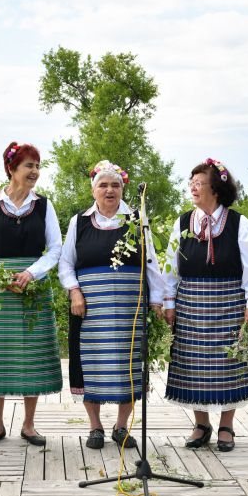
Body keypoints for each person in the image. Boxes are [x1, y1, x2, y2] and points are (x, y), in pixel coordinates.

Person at [163, 159, 248, 452]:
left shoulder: (238, 223)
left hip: (229, 301)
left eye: (200, 183)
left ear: (217, 189)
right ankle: (201, 424)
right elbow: (171, 267)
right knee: (192, 363)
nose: (193, 188)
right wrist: (168, 302)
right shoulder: (183, 222)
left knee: (230, 362)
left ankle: (226, 425)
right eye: (192, 183)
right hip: (191, 303)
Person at [0, 143, 63, 447]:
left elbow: (56, 248)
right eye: (28, 165)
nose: (35, 171)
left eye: (37, 165)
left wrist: (31, 273)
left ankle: (29, 425)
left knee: (31, 353)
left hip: (34, 285)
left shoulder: (44, 205)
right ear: (11, 169)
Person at [58, 160, 163, 450]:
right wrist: (75, 292)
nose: (109, 190)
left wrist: (156, 301)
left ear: (122, 189)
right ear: (94, 190)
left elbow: (151, 263)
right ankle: (95, 428)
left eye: (115, 185)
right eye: (103, 185)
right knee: (89, 363)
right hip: (89, 307)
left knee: (128, 364)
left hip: (130, 306)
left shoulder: (137, 219)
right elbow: (66, 263)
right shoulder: (79, 221)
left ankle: (120, 427)